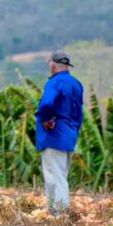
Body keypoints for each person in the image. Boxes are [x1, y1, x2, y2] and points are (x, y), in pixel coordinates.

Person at [35, 49, 84, 214]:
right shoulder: (76, 84)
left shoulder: (54, 83)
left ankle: (60, 211)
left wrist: (44, 119)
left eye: (49, 63)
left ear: (53, 65)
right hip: (69, 135)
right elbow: (79, 113)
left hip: (54, 135)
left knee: (54, 177)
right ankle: (53, 210)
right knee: (60, 174)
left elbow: (46, 103)